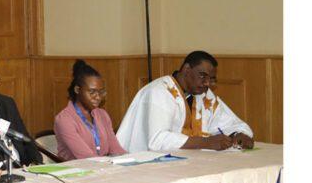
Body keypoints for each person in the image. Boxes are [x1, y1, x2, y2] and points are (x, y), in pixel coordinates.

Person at [117, 51, 254, 152]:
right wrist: (205, 142)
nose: (207, 83)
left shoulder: (203, 94)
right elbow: (157, 140)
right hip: (145, 165)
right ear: (187, 69)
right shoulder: (159, 91)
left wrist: (238, 135)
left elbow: (231, 123)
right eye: (203, 76)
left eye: (211, 79)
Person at [53, 60, 127, 160]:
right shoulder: (64, 119)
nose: (98, 97)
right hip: (76, 168)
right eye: (92, 92)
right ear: (77, 90)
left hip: (102, 166)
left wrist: (131, 161)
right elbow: (86, 157)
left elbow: (116, 149)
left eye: (101, 92)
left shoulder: (102, 115)